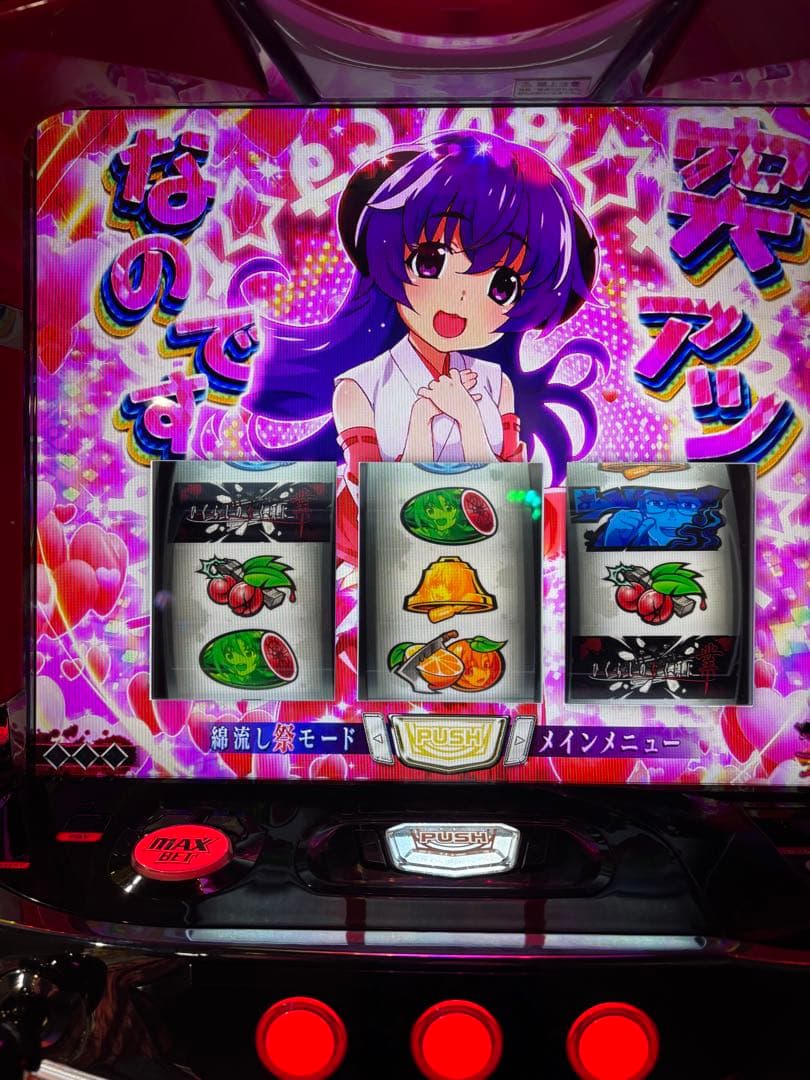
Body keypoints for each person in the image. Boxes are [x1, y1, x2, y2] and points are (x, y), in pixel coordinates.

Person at [244, 130, 608, 485]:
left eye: (502, 287)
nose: (460, 297)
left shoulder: (497, 385)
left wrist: (468, 418)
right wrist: (420, 421)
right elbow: (369, 501)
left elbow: (515, 498)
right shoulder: (357, 388)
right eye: (431, 260)